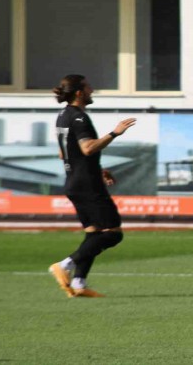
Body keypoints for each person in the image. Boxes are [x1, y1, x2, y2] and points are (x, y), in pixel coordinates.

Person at [48, 74, 136, 298]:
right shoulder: (79, 117)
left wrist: (97, 168)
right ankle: (64, 265)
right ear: (79, 92)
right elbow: (87, 148)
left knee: (93, 233)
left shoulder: (63, 115)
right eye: (88, 87)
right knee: (113, 234)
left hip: (74, 182)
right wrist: (115, 133)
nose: (92, 91)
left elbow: (64, 153)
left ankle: (79, 284)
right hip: (88, 185)